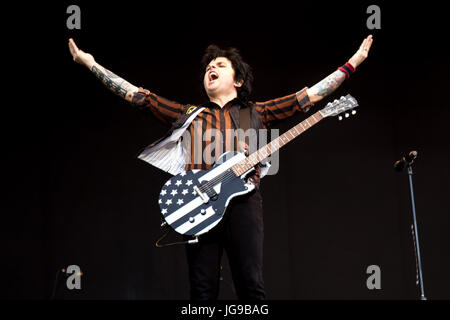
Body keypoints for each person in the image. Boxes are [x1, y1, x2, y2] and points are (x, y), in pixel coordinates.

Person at [68, 35, 373, 300]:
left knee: (251, 286)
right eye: (207, 67)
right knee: (202, 290)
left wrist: (352, 63)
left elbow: (309, 97)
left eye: (220, 65)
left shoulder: (256, 112)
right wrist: (92, 64)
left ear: (238, 80)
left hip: (243, 204)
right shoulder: (191, 114)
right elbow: (138, 97)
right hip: (198, 204)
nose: (210, 68)